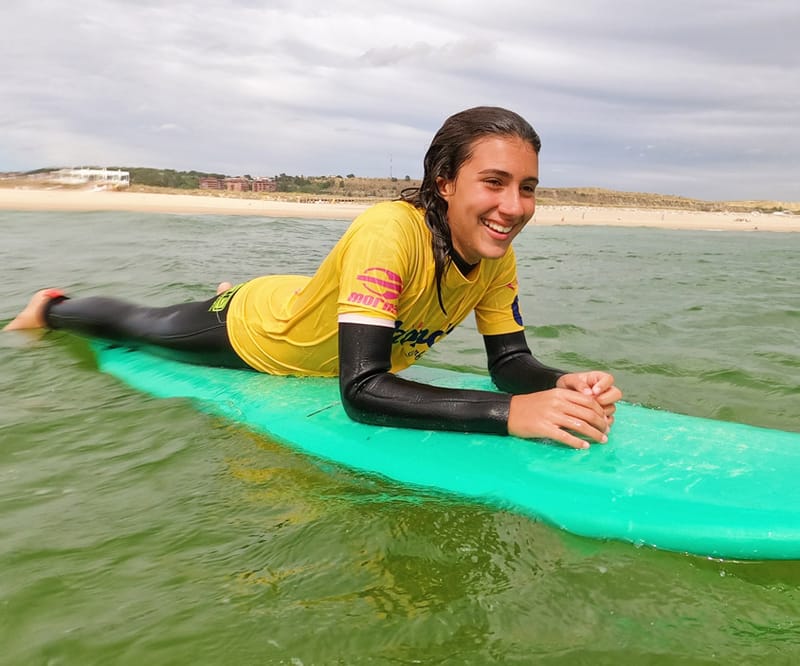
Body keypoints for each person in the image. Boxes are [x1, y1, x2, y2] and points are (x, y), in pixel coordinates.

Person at [5, 106, 621, 449]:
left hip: (313, 305)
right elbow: (362, 391)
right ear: (445, 181)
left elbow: (509, 361)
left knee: (307, 301)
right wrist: (509, 415)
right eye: (494, 183)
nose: (513, 207)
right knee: (141, 325)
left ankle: (244, 289)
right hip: (257, 336)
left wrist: (562, 384)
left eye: (528, 188)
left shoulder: (495, 256)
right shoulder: (390, 232)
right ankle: (53, 305)